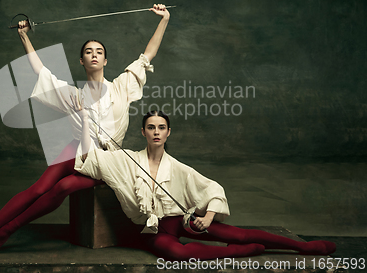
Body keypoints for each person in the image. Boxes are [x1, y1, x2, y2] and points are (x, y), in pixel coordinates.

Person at [0, 4, 170, 257]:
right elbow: (40, 72)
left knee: (63, 189)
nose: (94, 55)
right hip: (74, 150)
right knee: (38, 189)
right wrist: (23, 36)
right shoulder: (72, 95)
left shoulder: (121, 87)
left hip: (104, 160)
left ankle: (6, 231)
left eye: (99, 52)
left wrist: (163, 19)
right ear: (82, 60)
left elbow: (147, 55)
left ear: (106, 60)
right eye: (88, 52)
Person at [72, 107, 337, 261]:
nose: (156, 132)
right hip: (154, 232)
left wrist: (208, 218)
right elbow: (88, 156)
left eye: (161, 127)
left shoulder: (178, 168)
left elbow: (212, 189)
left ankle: (304, 247)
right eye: (150, 127)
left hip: (182, 220)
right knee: (178, 253)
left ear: (168, 132)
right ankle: (236, 253)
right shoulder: (126, 159)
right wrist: (84, 120)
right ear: (143, 132)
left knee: (239, 233)